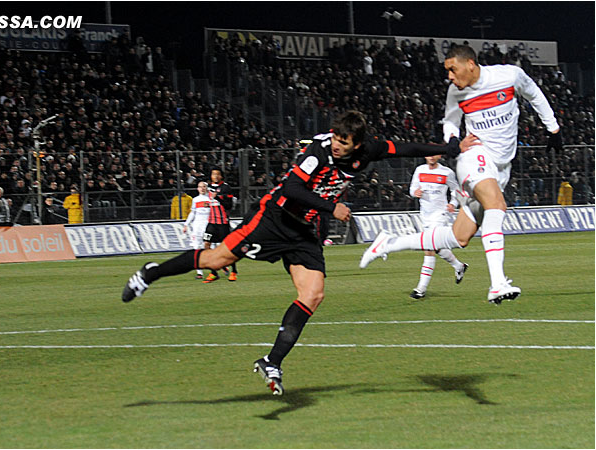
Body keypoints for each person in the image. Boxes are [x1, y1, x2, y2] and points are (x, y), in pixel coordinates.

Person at [121, 110, 463, 396]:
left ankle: (272, 361)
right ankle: (149, 274)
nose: (338, 147)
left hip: (306, 231)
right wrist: (332, 207)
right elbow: (292, 187)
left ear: (358, 143)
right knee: (216, 259)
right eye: (336, 140)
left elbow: (403, 148)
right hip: (275, 218)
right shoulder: (317, 151)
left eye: (344, 143)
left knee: (313, 294)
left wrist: (446, 149)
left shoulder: (368, 148)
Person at [360, 44, 562, 305]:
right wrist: (452, 140)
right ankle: (497, 283)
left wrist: (553, 128)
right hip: (474, 157)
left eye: (453, 70)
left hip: (501, 165)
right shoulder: (456, 92)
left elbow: (533, 93)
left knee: (460, 237)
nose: (450, 77)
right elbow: (451, 121)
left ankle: (388, 243)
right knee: (497, 205)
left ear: (470, 64)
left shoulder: (508, 76)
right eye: (448, 72)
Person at [408, 155, 468, 299]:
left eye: (434, 154)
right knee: (436, 247)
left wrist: (453, 203)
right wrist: (415, 193)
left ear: (439, 156)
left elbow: (456, 190)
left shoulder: (446, 172)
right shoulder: (420, 170)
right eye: (429, 154)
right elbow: (412, 189)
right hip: (425, 215)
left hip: (440, 214)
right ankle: (459, 266)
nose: (431, 157)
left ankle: (421, 289)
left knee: (429, 248)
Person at [202, 186, 238, 283]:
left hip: (222, 224)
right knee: (206, 244)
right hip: (211, 224)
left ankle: (234, 271)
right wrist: (208, 204)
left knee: (227, 247)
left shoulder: (225, 190)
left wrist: (217, 197)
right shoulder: (209, 191)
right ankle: (213, 272)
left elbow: (228, 206)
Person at [182, 181, 211, 280]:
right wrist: (186, 224)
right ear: (197, 189)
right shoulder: (195, 200)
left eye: (204, 187)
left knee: (209, 247)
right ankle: (199, 272)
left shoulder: (210, 199)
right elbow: (192, 213)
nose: (202, 188)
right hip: (197, 227)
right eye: (200, 187)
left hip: (208, 227)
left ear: (207, 188)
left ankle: (216, 268)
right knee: (196, 248)